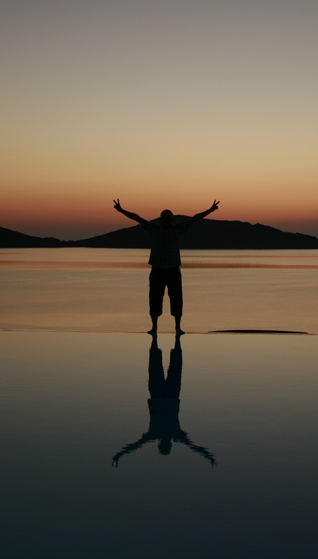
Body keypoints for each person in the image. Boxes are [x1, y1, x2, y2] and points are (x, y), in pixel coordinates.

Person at [113, 198, 218, 334]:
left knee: (176, 298)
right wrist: (121, 210)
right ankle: (154, 327)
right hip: (157, 270)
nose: (167, 219)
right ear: (161, 218)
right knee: (155, 298)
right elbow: (137, 218)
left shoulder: (178, 229)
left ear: (172, 219)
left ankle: (178, 327)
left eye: (169, 217)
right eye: (164, 217)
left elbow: (195, 219)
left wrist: (210, 210)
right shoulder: (154, 228)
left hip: (173, 269)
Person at [111, 333, 216, 467]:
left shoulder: (159, 434)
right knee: (169, 364)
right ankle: (167, 339)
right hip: (166, 395)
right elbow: (193, 447)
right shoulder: (165, 434)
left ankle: (164, 339)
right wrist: (208, 456)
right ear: (164, 444)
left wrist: (120, 454)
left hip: (162, 395)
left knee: (167, 364)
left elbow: (136, 445)